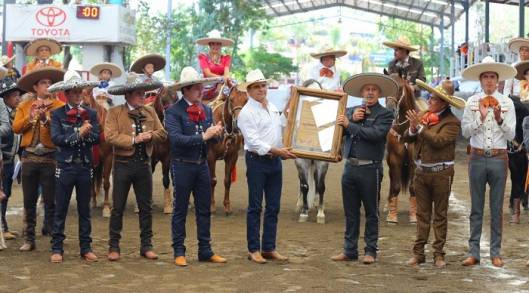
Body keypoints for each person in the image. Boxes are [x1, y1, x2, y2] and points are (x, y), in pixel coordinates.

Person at [165, 66, 226, 267]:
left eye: (201, 86)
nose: (201, 90)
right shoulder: (173, 112)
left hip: (202, 165)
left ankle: (205, 250)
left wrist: (218, 134)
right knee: (180, 209)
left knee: (204, 209)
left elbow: (210, 142)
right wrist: (203, 136)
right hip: (182, 165)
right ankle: (179, 251)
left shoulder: (207, 110)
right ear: (186, 90)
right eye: (196, 87)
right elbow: (175, 140)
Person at [331, 73, 395, 264]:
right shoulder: (349, 111)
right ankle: (349, 250)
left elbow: (375, 135)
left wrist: (351, 124)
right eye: (366, 89)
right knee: (350, 212)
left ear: (379, 93)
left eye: (373, 89)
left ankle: (370, 251)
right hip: (350, 167)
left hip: (371, 168)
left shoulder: (385, 114)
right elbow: (337, 132)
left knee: (371, 212)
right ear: (361, 92)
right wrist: (350, 120)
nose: (370, 92)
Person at [104, 72, 167, 261]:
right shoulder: (114, 112)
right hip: (122, 165)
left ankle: (146, 245)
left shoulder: (150, 112)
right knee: (118, 208)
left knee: (146, 207)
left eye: (144, 94)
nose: (143, 97)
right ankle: (114, 246)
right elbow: (110, 137)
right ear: (128, 95)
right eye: (139, 94)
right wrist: (134, 139)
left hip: (144, 165)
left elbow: (162, 134)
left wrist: (150, 136)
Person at [461, 56, 516, 268]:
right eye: (486, 77)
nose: (489, 81)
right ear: (481, 80)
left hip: (499, 157)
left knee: (496, 208)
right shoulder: (472, 102)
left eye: (493, 77)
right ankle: (473, 251)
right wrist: (480, 119)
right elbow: (465, 132)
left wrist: (499, 119)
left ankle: (495, 252)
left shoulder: (507, 102)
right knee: (476, 207)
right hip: (476, 156)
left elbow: (511, 135)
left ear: (498, 79)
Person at [237, 69, 297, 264]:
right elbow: (254, 143)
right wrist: (278, 151)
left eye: (263, 85)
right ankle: (253, 249)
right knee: (255, 206)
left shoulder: (271, 107)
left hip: (274, 161)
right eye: (257, 87)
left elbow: (279, 131)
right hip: (257, 161)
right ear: (249, 90)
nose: (261, 89)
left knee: (273, 206)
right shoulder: (246, 113)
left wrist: (282, 149)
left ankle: (269, 247)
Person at [404, 79, 464, 268]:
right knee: (422, 214)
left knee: (440, 214)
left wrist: (419, 127)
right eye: (430, 97)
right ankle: (419, 253)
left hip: (441, 173)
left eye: (434, 99)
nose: (429, 101)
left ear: (444, 103)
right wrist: (412, 128)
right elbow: (406, 137)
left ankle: (438, 254)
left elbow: (438, 141)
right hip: (421, 172)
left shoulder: (453, 122)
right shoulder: (423, 115)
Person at [48, 71, 100, 263]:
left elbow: (97, 138)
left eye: (80, 92)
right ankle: (57, 248)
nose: (79, 95)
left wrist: (87, 134)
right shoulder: (57, 114)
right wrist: (79, 133)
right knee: (60, 208)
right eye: (75, 92)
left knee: (85, 210)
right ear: (67, 93)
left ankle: (86, 248)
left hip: (85, 166)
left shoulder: (91, 114)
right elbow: (57, 139)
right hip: (65, 167)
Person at [13, 68, 65, 251]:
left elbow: (61, 131)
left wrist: (46, 119)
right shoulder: (24, 106)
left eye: (50, 83)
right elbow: (16, 128)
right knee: (29, 200)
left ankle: (51, 233)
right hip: (28, 157)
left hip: (50, 158)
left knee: (51, 199)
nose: (47, 86)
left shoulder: (59, 106)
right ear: (35, 87)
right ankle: (29, 238)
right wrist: (31, 116)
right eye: (43, 83)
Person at [0, 78, 23, 240]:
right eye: (14, 95)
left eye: (18, 95)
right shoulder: (3, 114)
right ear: (6, 97)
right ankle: (2, 228)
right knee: (2, 193)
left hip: (11, 159)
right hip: (2, 158)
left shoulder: (17, 113)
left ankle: (4, 226)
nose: (18, 98)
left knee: (6, 193)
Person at [506, 60, 529, 223]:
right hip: (520, 140)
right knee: (517, 173)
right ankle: (516, 205)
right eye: (527, 74)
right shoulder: (516, 99)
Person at [196, 30, 233, 101]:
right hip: (209, 84)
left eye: (218, 44)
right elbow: (207, 73)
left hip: (223, 84)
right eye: (213, 44)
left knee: (235, 90)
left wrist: (222, 82)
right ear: (209, 45)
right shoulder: (203, 57)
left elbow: (226, 74)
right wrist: (221, 79)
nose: (215, 46)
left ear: (221, 45)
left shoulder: (226, 58)